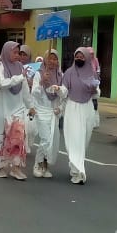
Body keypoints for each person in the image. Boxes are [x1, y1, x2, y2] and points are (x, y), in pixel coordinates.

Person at [0, 41, 35, 179]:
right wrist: (20, 77)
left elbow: (25, 88)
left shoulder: (20, 66)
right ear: (7, 51)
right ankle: (0, 167)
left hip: (17, 108)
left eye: (18, 52)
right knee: (2, 137)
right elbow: (1, 83)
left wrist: (30, 106)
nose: (17, 55)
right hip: (1, 108)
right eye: (14, 52)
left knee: (19, 137)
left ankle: (16, 168)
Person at [62, 47, 99, 184]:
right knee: (75, 139)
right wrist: (57, 89)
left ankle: (75, 168)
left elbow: (96, 93)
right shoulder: (69, 73)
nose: (79, 58)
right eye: (77, 56)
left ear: (87, 58)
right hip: (73, 108)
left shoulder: (92, 73)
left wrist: (95, 89)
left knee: (84, 140)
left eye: (82, 56)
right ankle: (78, 171)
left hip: (87, 109)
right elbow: (64, 90)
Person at [30, 50, 66, 178]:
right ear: (45, 60)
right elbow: (34, 93)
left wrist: (60, 108)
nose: (52, 61)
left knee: (52, 141)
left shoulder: (60, 76)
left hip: (53, 113)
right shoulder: (39, 74)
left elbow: (64, 97)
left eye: (55, 59)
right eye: (49, 58)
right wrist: (41, 82)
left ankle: (45, 165)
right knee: (45, 139)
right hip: (41, 111)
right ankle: (37, 164)